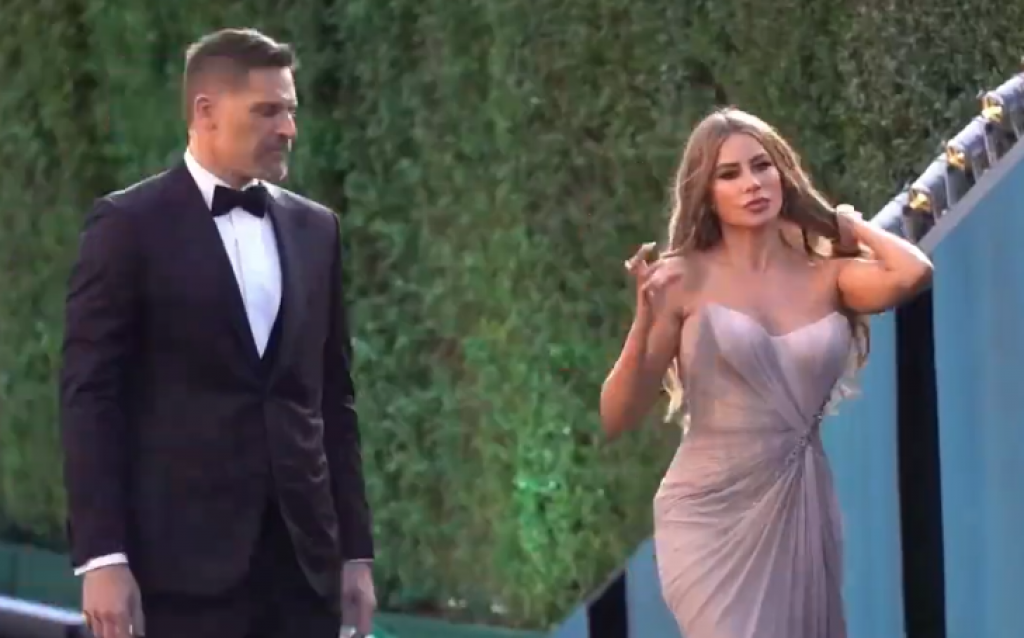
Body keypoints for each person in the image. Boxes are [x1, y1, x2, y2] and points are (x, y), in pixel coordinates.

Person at [59, 28, 376, 638]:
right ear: (205, 112)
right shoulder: (127, 226)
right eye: (267, 111)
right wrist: (102, 557)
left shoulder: (317, 231)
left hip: (303, 573)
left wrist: (356, 554)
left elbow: (335, 401)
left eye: (291, 110)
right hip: (178, 575)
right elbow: (89, 397)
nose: (288, 129)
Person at [599, 108, 933, 638]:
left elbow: (913, 272)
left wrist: (845, 224)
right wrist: (643, 321)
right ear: (706, 193)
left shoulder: (829, 276)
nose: (752, 183)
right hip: (707, 516)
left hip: (800, 506)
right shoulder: (682, 279)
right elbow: (617, 416)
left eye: (762, 166)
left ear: (784, 174)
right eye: (729, 174)